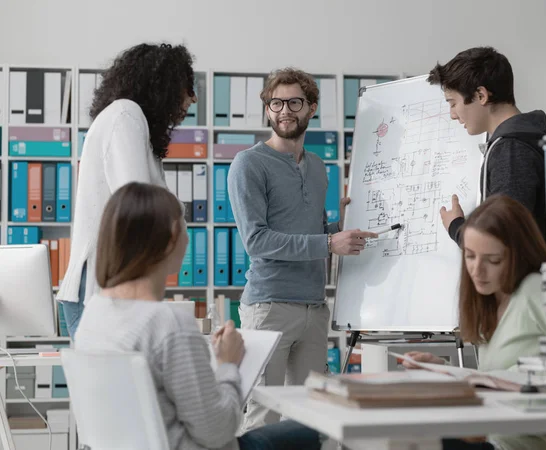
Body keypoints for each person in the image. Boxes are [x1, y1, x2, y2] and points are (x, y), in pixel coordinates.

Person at [75, 182, 322, 450]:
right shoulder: (166, 323)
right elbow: (219, 432)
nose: (189, 239)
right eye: (184, 228)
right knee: (321, 430)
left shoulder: (93, 315)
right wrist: (229, 364)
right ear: (172, 237)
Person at [227, 67, 377, 431]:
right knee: (262, 419)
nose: (284, 110)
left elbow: (307, 233)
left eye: (295, 102)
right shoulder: (248, 164)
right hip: (269, 308)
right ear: (267, 110)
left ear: (311, 108)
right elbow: (257, 241)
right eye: (276, 103)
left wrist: (338, 228)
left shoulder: (317, 167)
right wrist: (328, 243)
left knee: (309, 419)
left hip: (313, 309)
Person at [403, 195, 546, 450]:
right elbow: (496, 380)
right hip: (497, 440)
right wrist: (447, 373)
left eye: (492, 260)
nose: (476, 270)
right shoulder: (488, 303)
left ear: (518, 255)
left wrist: (501, 381)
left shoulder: (539, 290)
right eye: (470, 256)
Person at [56, 43, 197, 338]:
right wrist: (178, 211)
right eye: (187, 87)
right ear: (164, 85)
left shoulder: (134, 123)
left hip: (107, 286)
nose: (192, 99)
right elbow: (141, 206)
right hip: (98, 289)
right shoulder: (126, 115)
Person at [427, 47, 546, 243]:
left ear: (481, 95)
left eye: (453, 103)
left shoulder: (511, 149)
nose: (452, 115)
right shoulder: (518, 140)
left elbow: (502, 237)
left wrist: (456, 227)